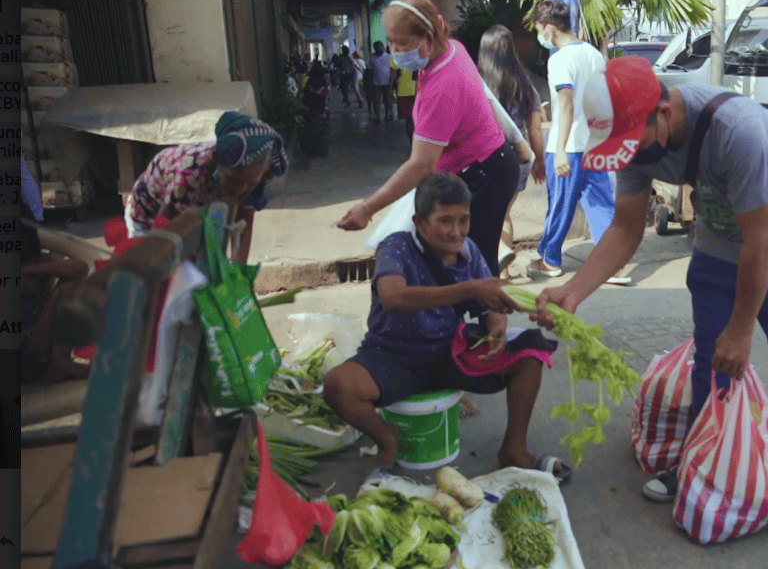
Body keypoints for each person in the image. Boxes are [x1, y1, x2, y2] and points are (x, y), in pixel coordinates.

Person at [529, 57, 768, 524]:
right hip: (717, 244)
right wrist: (573, 291)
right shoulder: (635, 143)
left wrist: (741, 329)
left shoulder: (740, 131)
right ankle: (702, 458)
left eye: (634, 143)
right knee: (710, 363)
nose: (629, 155)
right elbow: (626, 228)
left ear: (665, 113)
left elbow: (760, 242)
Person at [323, 172, 571, 482]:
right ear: (420, 222)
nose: (456, 232)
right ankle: (387, 440)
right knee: (337, 386)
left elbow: (487, 306)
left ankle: (514, 450)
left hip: (449, 350)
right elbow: (393, 298)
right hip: (391, 354)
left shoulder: (470, 252)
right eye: (445, 221)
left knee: (530, 353)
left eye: (463, 220)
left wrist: (496, 324)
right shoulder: (395, 246)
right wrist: (469, 290)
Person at [337, 0, 521, 277]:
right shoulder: (452, 50)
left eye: (401, 43)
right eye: (391, 42)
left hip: (485, 174)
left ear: (428, 37)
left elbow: (421, 165)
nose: (394, 50)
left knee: (471, 270)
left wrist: (367, 208)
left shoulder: (443, 85)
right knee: (458, 263)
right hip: (481, 165)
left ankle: (485, 319)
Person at [527, 0, 628, 285]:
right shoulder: (594, 54)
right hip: (593, 144)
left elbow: (566, 104)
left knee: (559, 205)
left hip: (569, 146)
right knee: (600, 204)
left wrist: (559, 151)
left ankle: (549, 261)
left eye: (538, 29)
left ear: (548, 28)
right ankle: (614, 265)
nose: (539, 35)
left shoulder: (559, 60)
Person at [124, 111, 287, 264]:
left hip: (198, 213)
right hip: (149, 217)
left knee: (209, 271)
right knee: (163, 274)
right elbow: (164, 229)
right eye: (233, 180)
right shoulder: (191, 173)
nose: (240, 189)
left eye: (250, 183)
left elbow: (243, 224)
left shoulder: (252, 177)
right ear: (218, 163)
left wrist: (239, 272)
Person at [477, 24, 546, 278]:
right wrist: (539, 159)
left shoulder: (477, 82)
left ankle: (500, 261)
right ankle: (502, 267)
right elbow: (535, 128)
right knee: (503, 212)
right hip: (519, 159)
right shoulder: (524, 82)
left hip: (488, 159)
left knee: (495, 213)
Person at [21, 222, 91, 383]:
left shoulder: (36, 264)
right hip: (24, 357)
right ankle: (59, 365)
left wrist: (28, 270)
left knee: (71, 286)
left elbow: (81, 268)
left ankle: (59, 363)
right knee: (64, 291)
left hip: (42, 348)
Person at [368, 41, 395, 122]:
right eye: (376, 48)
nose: (378, 49)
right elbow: (370, 70)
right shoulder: (372, 58)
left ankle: (387, 115)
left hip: (387, 83)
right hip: (376, 83)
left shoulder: (389, 57)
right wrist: (370, 82)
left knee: (387, 101)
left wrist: (392, 82)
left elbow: (393, 70)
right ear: (374, 49)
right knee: (376, 101)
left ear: (383, 47)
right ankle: (378, 116)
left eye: (380, 47)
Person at [392, 58, 417, 144]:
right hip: (418, 90)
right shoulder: (421, 51)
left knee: (409, 119)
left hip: (404, 90)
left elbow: (393, 73)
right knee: (417, 119)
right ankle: (416, 143)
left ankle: (412, 143)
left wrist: (390, 88)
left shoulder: (397, 54)